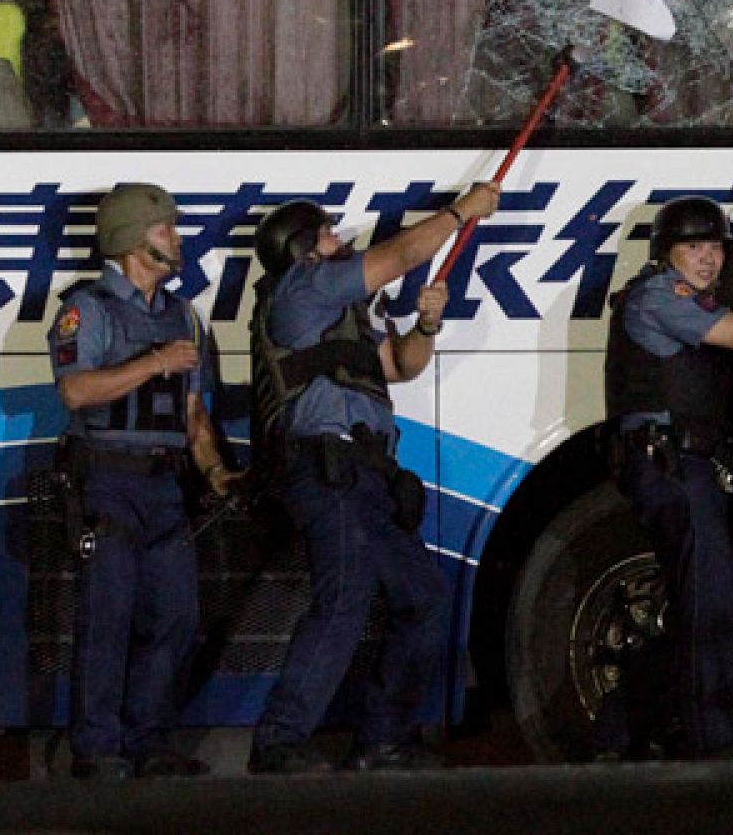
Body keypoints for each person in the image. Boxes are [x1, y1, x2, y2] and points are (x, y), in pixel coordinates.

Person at [246, 181, 500, 774]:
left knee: (426, 601)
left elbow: (401, 367)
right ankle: (279, 741)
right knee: (345, 601)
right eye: (328, 233)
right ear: (304, 250)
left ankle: (382, 738)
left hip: (367, 477)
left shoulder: (344, 315)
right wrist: (462, 212)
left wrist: (427, 329)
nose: (339, 239)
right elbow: (403, 255)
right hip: (326, 470)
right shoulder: (302, 291)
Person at [48, 182, 237, 780]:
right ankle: (98, 749)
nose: (175, 240)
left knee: (177, 617)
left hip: (166, 486)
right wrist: (155, 362)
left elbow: (192, 413)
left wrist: (214, 470)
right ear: (133, 241)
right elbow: (76, 391)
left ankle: (151, 741)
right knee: (108, 617)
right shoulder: (91, 309)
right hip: (107, 479)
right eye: (165, 231)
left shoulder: (183, 315)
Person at [600, 195, 733, 758]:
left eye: (715, 247)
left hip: (687, 467)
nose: (707, 258)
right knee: (710, 608)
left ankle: (618, 728)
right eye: (693, 247)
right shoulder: (661, 295)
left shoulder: (695, 299)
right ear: (665, 253)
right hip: (671, 465)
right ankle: (712, 747)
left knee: (700, 606)